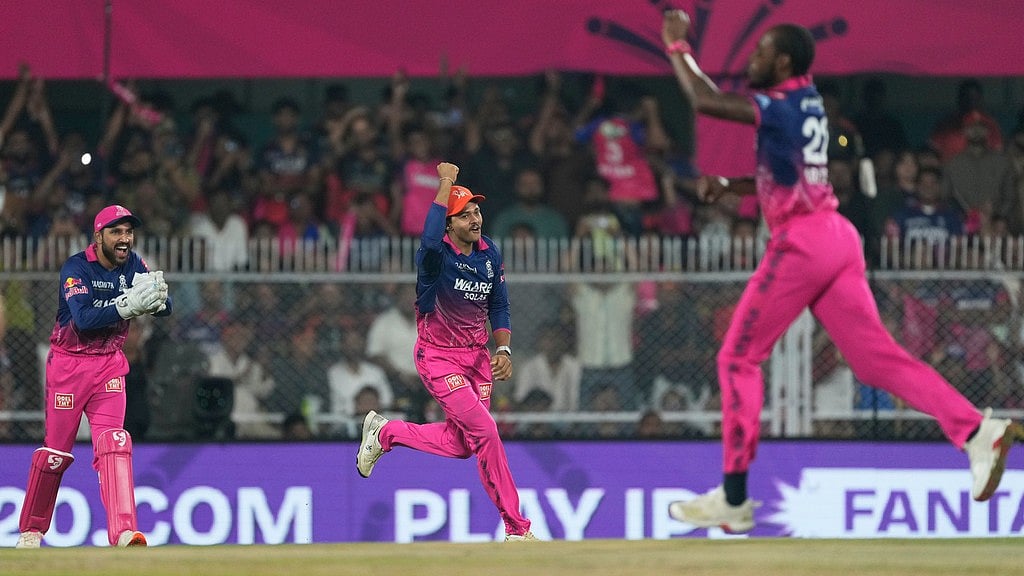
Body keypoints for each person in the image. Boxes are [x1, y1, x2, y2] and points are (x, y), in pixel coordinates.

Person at [660, 10, 1021, 534]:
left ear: (783, 61)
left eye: (761, 52)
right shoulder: (806, 101)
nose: (753, 58)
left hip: (803, 243)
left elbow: (705, 101)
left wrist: (677, 47)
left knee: (738, 357)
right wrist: (735, 186)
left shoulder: (780, 103)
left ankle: (734, 499)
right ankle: (976, 431)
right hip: (836, 237)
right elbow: (786, 174)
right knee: (878, 362)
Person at [355, 162, 536, 542]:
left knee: (462, 445)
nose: (475, 219)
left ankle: (386, 432)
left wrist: (503, 346)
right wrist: (445, 183)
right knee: (486, 432)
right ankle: (517, 529)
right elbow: (429, 238)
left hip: (477, 359)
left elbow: (499, 304)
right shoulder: (434, 260)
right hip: (438, 358)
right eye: (464, 215)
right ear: (449, 224)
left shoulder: (489, 254)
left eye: (477, 211)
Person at [14, 204, 171, 548]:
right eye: (117, 232)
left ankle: (124, 532)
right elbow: (83, 320)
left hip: (109, 365)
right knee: (55, 454)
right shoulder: (76, 267)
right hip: (69, 366)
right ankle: (31, 530)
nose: (125, 239)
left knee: (115, 442)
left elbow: (164, 304)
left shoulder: (133, 263)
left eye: (129, 232)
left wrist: (159, 301)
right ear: (98, 236)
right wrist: (126, 306)